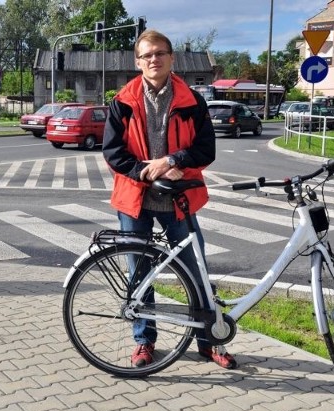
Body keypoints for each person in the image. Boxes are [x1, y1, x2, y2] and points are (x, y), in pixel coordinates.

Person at [101, 29, 237, 370]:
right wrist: (148, 170)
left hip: (179, 198)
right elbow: (113, 153)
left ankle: (209, 340)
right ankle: (144, 342)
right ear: (138, 61)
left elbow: (206, 149)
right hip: (135, 199)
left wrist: (173, 161)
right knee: (139, 274)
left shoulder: (192, 100)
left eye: (160, 53)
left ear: (171, 57)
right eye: (146, 55)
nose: (153, 59)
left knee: (197, 270)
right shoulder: (122, 101)